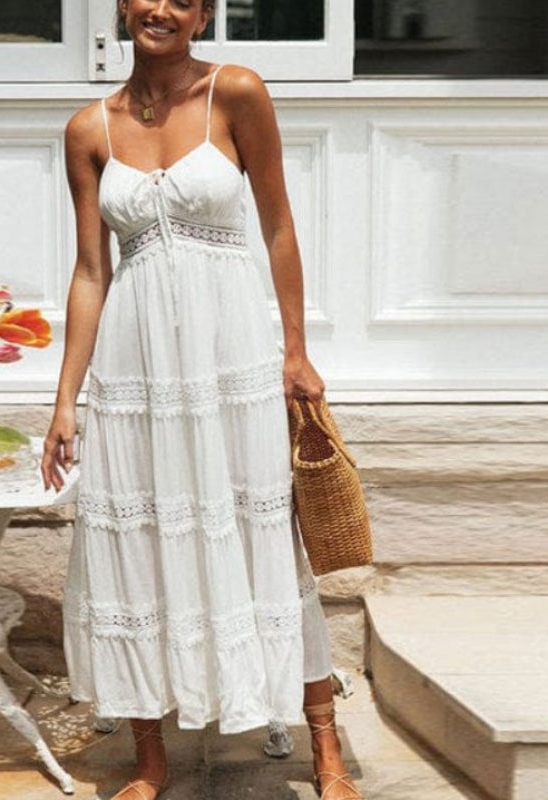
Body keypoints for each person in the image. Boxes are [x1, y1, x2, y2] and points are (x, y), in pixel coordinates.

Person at [42, 2, 365, 798]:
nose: (162, 8)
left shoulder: (237, 91)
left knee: (264, 535)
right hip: (136, 365)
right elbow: (91, 271)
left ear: (204, 13)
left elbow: (279, 227)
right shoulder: (88, 129)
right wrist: (65, 400)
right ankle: (150, 759)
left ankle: (323, 748)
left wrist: (296, 350)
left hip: (230, 355)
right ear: (123, 5)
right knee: (140, 548)